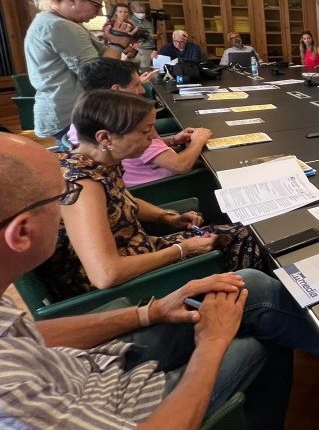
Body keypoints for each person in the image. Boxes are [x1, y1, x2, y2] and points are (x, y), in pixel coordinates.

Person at [0, 133, 319, 430]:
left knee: (244, 286)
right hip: (125, 418)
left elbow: (33, 335)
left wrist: (151, 312)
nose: (69, 206)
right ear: (22, 232)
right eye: (63, 198)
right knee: (256, 341)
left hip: (95, 368)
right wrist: (212, 342)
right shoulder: (9, 391)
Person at [37, 91, 266, 300]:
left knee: (243, 233)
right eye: (145, 132)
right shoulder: (83, 186)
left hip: (140, 249)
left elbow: (121, 200)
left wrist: (165, 217)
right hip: (125, 290)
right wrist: (182, 250)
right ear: (104, 138)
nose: (153, 138)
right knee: (248, 239)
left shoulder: (95, 161)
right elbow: (106, 274)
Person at [24, 0, 137, 147]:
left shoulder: (47, 20)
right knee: (86, 160)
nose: (99, 12)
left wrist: (116, 44)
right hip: (71, 112)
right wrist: (117, 44)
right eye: (96, 5)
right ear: (72, 0)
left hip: (60, 108)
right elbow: (97, 75)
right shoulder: (61, 26)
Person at [75, 58, 212, 187]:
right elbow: (181, 166)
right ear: (116, 90)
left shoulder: (90, 118)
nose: (142, 90)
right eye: (137, 85)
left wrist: (172, 140)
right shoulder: (127, 123)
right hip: (163, 186)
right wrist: (198, 140)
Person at [128, 1, 157, 68]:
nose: (141, 14)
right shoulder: (129, 23)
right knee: (144, 71)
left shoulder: (149, 23)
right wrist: (146, 36)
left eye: (143, 12)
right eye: (139, 12)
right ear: (132, 10)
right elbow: (129, 38)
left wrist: (155, 36)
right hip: (140, 51)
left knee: (154, 71)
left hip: (152, 50)